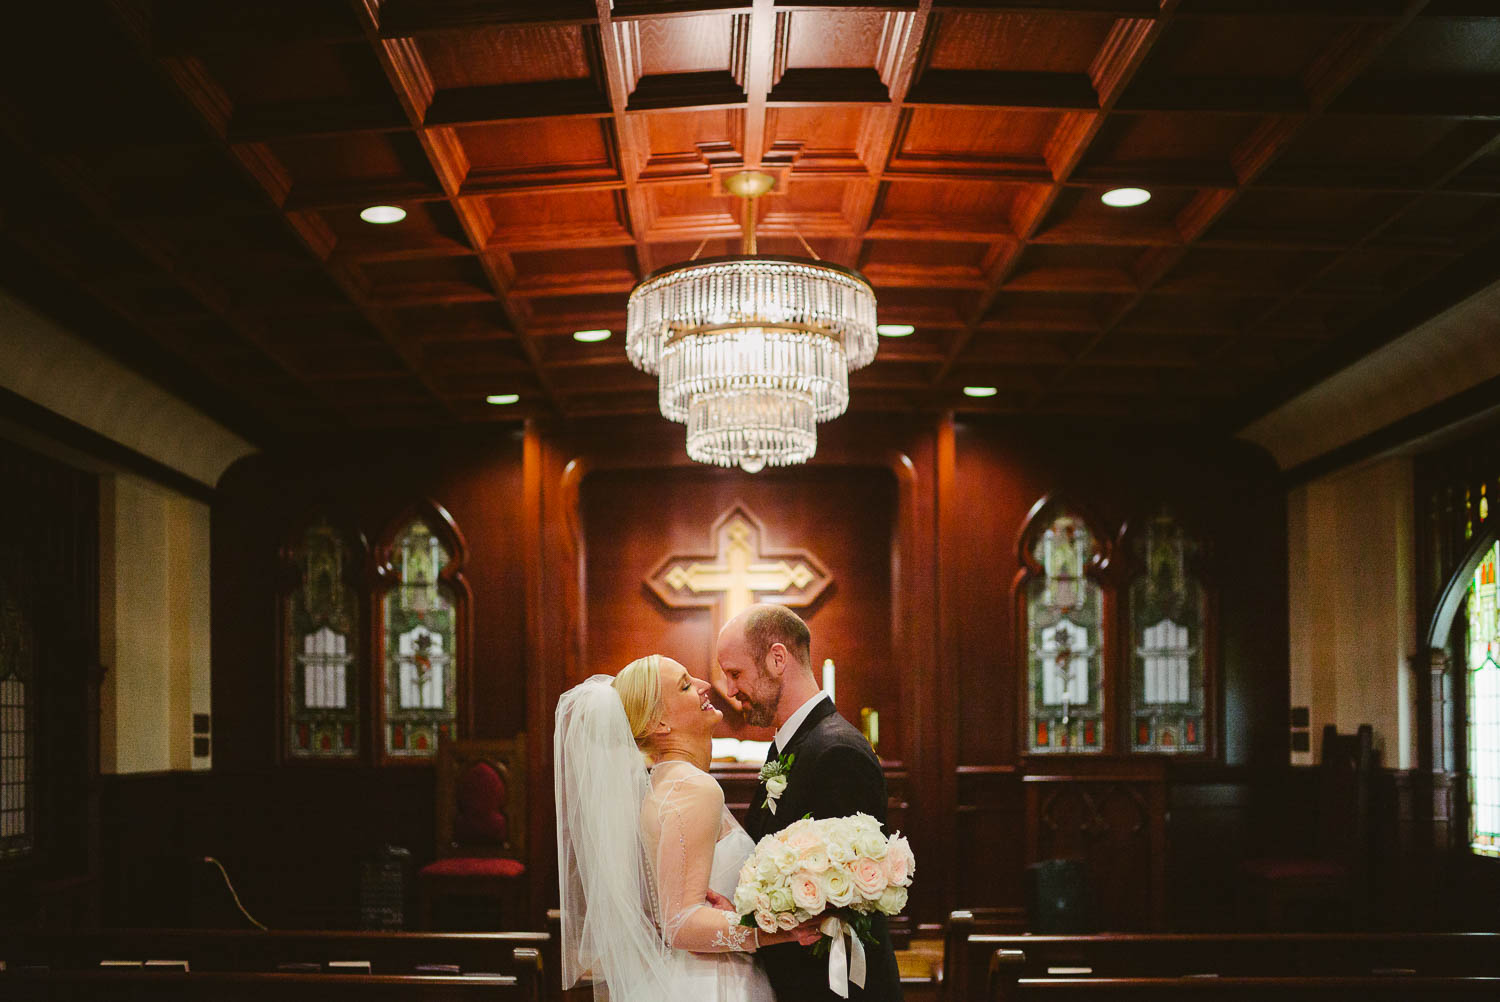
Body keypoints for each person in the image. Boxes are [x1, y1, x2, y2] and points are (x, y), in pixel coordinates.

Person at [554, 655, 819, 1002]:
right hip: (714, 984)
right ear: (660, 723)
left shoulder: (665, 784)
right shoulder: (692, 788)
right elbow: (680, 924)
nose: (705, 685)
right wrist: (782, 929)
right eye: (685, 684)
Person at [718, 605, 904, 1002]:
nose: (730, 691)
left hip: (834, 986)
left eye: (735, 674)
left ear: (777, 658)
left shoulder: (838, 751)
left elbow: (845, 898)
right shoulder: (791, 744)